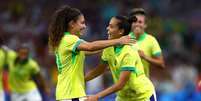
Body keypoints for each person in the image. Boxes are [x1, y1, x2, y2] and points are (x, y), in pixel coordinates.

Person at [48, 5, 134, 101]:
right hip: (71, 94)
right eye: (82, 23)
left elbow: (90, 50)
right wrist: (118, 41)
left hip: (67, 93)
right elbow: (90, 47)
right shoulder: (69, 39)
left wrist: (110, 45)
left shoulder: (65, 40)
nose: (84, 26)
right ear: (72, 24)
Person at [85, 16, 156, 101]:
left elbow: (121, 84)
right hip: (123, 97)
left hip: (142, 96)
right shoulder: (108, 48)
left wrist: (97, 96)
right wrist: (82, 80)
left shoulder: (128, 52)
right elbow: (100, 70)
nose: (107, 28)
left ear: (121, 31)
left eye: (111, 26)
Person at [128, 8, 165, 77]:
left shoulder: (151, 40)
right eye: (134, 22)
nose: (137, 24)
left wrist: (145, 57)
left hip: (142, 86)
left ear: (145, 25)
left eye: (140, 22)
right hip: (125, 86)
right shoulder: (124, 39)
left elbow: (161, 64)